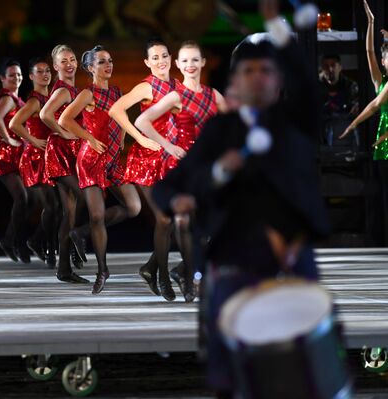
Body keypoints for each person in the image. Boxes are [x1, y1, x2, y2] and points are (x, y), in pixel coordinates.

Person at [153, 0, 329, 396]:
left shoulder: (297, 122)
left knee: (303, 374)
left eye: (267, 70)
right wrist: (205, 182)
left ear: (278, 79)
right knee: (232, 377)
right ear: (234, 83)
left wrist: (273, 24)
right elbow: (167, 187)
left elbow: (303, 75)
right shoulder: (220, 131)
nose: (258, 77)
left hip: (291, 265)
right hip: (234, 266)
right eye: (248, 70)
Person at [135, 41, 224, 301]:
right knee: (181, 222)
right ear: (178, 65)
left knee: (207, 225)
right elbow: (142, 121)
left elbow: (234, 125)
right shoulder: (176, 96)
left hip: (208, 168)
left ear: (203, 62)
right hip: (182, 165)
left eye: (195, 60)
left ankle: (182, 271)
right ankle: (184, 278)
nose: (190, 65)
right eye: (185, 61)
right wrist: (168, 145)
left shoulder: (214, 95)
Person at [59, 45, 149, 294]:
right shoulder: (88, 94)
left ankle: (81, 233)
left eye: (109, 60)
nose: (108, 65)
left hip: (111, 159)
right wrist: (88, 137)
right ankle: (102, 270)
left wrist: (120, 139)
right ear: (90, 68)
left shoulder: (118, 92)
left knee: (134, 207)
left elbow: (121, 118)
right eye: (101, 62)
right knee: (97, 215)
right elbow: (64, 120)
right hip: (90, 159)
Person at [108, 38, 176, 298]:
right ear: (147, 62)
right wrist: (140, 137)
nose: (161, 61)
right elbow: (116, 110)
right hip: (146, 163)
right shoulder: (146, 87)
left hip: (169, 162)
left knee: (172, 221)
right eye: (155, 57)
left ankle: (150, 268)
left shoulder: (177, 87)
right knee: (164, 218)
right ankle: (164, 277)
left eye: (164, 56)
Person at [340, 0, 388, 244]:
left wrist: (355, 123)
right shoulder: (381, 83)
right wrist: (370, 23)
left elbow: (374, 106)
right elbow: (370, 53)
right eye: (386, 57)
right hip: (382, 150)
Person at [39, 44, 89, 283]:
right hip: (60, 152)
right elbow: (44, 114)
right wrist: (64, 132)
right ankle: (78, 241)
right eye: (64, 61)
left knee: (69, 212)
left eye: (72, 59)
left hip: (68, 152)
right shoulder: (64, 91)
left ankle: (64, 268)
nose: (69, 64)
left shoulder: (72, 88)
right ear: (56, 66)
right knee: (84, 197)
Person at [9, 57, 59, 267]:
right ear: (31, 76)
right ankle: (42, 244)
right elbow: (14, 123)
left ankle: (38, 241)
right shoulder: (35, 100)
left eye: (47, 70)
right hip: (36, 159)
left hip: (49, 157)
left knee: (56, 206)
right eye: (39, 71)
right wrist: (32, 140)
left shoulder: (51, 96)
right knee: (52, 204)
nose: (45, 74)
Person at [0, 58, 32, 263]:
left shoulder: (14, 96)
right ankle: (13, 241)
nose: (17, 78)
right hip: (4, 155)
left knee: (25, 198)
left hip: (14, 154)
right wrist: (9, 140)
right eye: (12, 75)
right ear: (2, 78)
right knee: (22, 197)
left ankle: (14, 240)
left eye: (19, 75)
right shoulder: (9, 98)